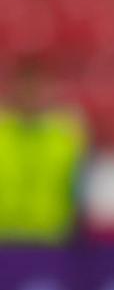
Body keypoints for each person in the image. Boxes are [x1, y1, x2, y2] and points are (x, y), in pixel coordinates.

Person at [0, 60, 88, 245]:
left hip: (52, 237)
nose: (30, 96)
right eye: (25, 90)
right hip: (5, 238)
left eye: (36, 90)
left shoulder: (67, 135)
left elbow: (79, 188)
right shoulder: (3, 132)